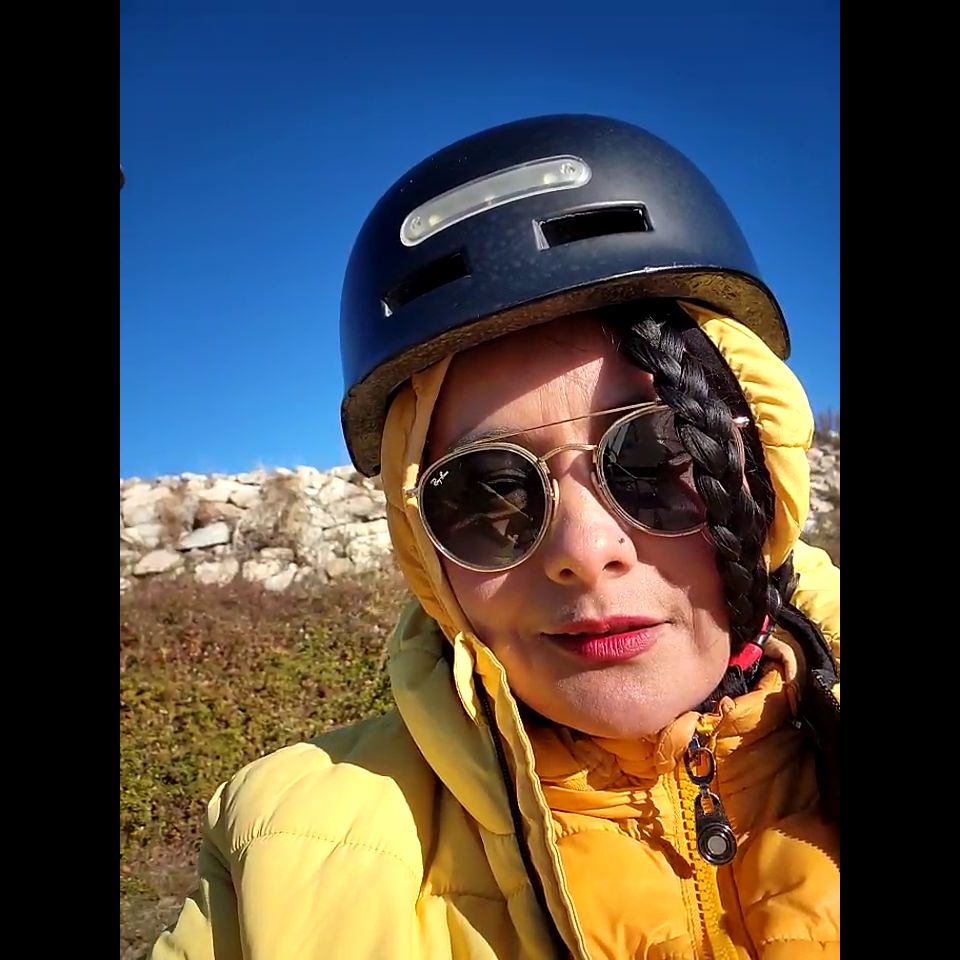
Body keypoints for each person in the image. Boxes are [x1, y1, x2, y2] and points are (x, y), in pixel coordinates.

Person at [151, 114, 839, 959]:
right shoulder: (278, 857)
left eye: (662, 454)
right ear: (420, 541)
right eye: (487, 493)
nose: (585, 550)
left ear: (762, 468)